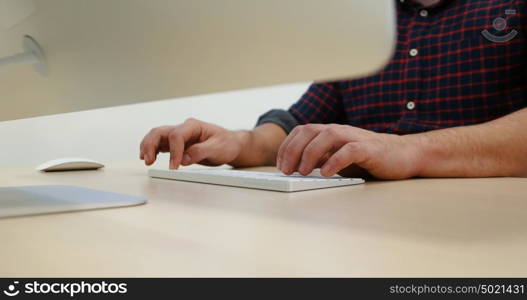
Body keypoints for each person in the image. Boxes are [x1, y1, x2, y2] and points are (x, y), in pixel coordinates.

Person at [140, 0, 527, 179]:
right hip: (368, 235)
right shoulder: (365, 28)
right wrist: (240, 143)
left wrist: (408, 150)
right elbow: (298, 122)